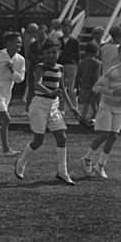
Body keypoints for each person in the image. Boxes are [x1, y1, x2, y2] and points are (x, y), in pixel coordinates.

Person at [14, 39, 76, 185]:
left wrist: (72, 107)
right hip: (40, 104)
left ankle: (62, 172)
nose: (52, 55)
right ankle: (21, 162)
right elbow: (37, 84)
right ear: (43, 54)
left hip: (54, 105)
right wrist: (51, 92)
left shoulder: (60, 68)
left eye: (54, 52)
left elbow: (63, 89)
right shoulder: (40, 67)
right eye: (48, 53)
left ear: (59, 53)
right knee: (38, 141)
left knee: (62, 137)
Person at [80, 42, 121, 179]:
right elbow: (96, 88)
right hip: (106, 106)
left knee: (114, 136)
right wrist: (113, 91)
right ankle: (87, 158)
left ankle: (100, 165)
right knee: (104, 134)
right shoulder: (113, 71)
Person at [75, 42, 103, 123]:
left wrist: (77, 84)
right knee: (94, 103)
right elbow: (97, 75)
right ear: (96, 52)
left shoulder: (81, 62)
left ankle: (84, 116)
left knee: (86, 102)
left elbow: (78, 74)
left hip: (84, 85)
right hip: (94, 85)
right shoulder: (98, 63)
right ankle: (93, 116)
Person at [58, 19, 81, 117]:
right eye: (63, 27)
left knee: (71, 88)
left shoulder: (74, 41)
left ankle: (74, 107)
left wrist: (77, 65)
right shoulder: (59, 40)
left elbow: (77, 55)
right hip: (60, 64)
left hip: (71, 64)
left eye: (67, 27)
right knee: (61, 87)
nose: (65, 29)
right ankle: (61, 108)